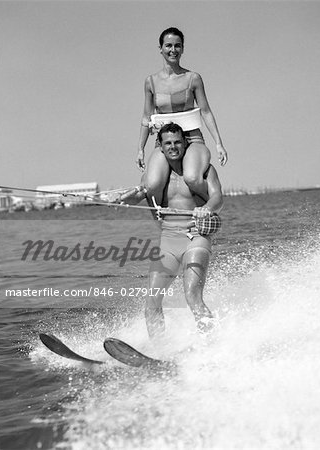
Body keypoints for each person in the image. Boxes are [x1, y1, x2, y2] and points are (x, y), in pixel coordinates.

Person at [125, 123, 223, 338]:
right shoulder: (154, 176)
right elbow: (138, 194)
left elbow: (217, 197)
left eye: (178, 142)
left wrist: (206, 208)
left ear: (185, 142)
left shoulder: (204, 169)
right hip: (168, 240)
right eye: (168, 143)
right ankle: (159, 351)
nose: (173, 147)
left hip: (195, 237)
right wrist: (122, 198)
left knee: (192, 296)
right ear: (160, 146)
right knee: (152, 301)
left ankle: (214, 345)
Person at [136, 27, 227, 205]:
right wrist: (141, 149)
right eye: (168, 45)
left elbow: (206, 111)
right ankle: (162, 218)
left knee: (192, 178)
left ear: (183, 49)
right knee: (153, 184)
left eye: (178, 46)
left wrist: (218, 144)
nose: (173, 50)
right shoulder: (151, 82)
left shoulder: (193, 78)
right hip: (164, 142)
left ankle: (210, 207)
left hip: (192, 139)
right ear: (160, 48)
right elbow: (146, 118)